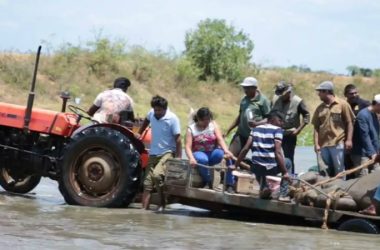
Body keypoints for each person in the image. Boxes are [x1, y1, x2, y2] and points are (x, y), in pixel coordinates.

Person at [235, 110, 292, 202]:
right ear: (272, 120)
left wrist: (235, 165)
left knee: (258, 163)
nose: (282, 123)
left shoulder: (255, 129)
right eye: (280, 121)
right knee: (288, 162)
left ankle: (264, 187)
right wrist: (285, 172)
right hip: (270, 168)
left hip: (256, 168)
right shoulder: (277, 130)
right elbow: (277, 152)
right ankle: (283, 194)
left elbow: (245, 149)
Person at [137, 95, 182, 210]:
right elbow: (147, 119)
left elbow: (178, 139)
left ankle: (162, 204)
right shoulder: (152, 113)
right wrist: (140, 132)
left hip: (167, 152)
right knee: (147, 184)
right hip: (153, 152)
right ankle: (143, 211)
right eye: (155, 109)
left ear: (165, 109)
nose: (157, 112)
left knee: (157, 176)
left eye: (159, 110)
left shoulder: (172, 119)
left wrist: (179, 157)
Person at [312, 81, 355, 177]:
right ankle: (327, 191)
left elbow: (349, 123)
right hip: (323, 144)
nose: (318, 94)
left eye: (320, 92)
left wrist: (349, 140)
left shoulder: (342, 104)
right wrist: (316, 144)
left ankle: (339, 190)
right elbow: (316, 127)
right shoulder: (320, 108)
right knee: (325, 171)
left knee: (339, 171)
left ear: (327, 92)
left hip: (337, 143)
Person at [185, 107, 233, 189]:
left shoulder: (213, 124)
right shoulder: (191, 129)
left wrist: (226, 150)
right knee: (203, 160)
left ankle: (229, 183)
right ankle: (208, 181)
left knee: (227, 156)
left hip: (212, 152)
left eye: (208, 119)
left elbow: (220, 139)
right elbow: (187, 146)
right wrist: (191, 158)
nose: (206, 122)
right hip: (199, 153)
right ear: (198, 119)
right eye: (204, 120)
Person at [225, 77, 271, 156]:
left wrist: (257, 124)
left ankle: (247, 167)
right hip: (241, 134)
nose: (245, 90)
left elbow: (269, 119)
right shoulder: (244, 99)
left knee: (259, 160)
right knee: (230, 156)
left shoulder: (263, 101)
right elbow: (240, 116)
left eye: (248, 88)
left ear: (255, 88)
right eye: (244, 88)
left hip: (257, 136)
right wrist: (228, 130)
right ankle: (233, 167)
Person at [271, 81, 310, 173]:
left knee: (288, 158)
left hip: (290, 134)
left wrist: (299, 130)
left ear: (288, 92)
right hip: (275, 133)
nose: (280, 96)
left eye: (283, 94)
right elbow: (270, 114)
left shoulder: (297, 101)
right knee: (273, 156)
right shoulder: (275, 99)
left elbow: (306, 115)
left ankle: (290, 179)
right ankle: (274, 178)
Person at [351, 94, 380, 176]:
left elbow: (375, 136)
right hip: (361, 154)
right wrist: (372, 153)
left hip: (373, 152)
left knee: (377, 176)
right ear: (378, 105)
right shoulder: (363, 115)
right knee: (362, 178)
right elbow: (365, 136)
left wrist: (377, 152)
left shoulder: (374, 115)